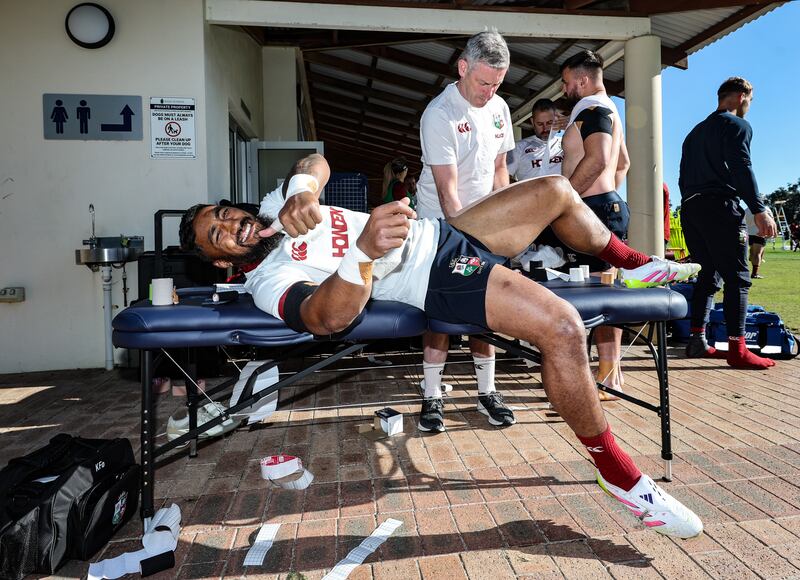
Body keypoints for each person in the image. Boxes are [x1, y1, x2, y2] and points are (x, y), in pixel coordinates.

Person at [179, 152, 703, 539]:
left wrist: (303, 190)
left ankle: (635, 265)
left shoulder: (276, 208)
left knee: (556, 190)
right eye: (217, 234)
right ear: (221, 262)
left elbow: (313, 162)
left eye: (222, 213)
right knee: (564, 328)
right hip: (435, 276)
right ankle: (620, 476)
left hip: (440, 233)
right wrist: (362, 253)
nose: (231, 224)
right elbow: (325, 317)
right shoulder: (267, 279)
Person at [414, 30, 516, 433]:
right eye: (483, 82)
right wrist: (470, 244)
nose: (489, 92)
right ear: (462, 68)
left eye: (497, 84)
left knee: (483, 311)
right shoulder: (439, 114)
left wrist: (503, 230)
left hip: (483, 223)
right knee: (439, 312)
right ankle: (431, 395)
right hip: (440, 225)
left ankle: (487, 392)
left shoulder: (500, 108)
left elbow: (500, 172)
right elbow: (448, 193)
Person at [679, 77, 778, 369]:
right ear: (741, 96)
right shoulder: (737, 125)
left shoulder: (694, 133)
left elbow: (683, 176)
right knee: (738, 278)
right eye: (750, 101)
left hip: (691, 208)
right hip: (719, 207)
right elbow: (741, 166)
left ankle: (697, 341)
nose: (749, 107)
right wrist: (758, 209)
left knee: (707, 276)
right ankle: (738, 349)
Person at [559, 49, 631, 399]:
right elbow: (623, 162)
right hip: (604, 207)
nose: (565, 89)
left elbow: (600, 158)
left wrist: (566, 198)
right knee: (601, 292)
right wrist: (607, 196)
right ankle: (607, 374)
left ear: (583, 80)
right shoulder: (609, 108)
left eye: (567, 82)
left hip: (593, 210)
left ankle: (607, 379)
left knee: (597, 294)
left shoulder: (591, 108)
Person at [507, 98, 563, 181]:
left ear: (556, 119)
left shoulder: (566, 144)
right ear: (532, 122)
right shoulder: (518, 147)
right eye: (540, 124)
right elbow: (503, 177)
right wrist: (522, 188)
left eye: (549, 123)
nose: (545, 128)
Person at [744, 208, 767, 279]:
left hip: (748, 233)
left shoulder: (746, 210)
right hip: (760, 233)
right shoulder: (765, 209)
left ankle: (752, 259)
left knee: (753, 252)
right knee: (757, 254)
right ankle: (755, 273)